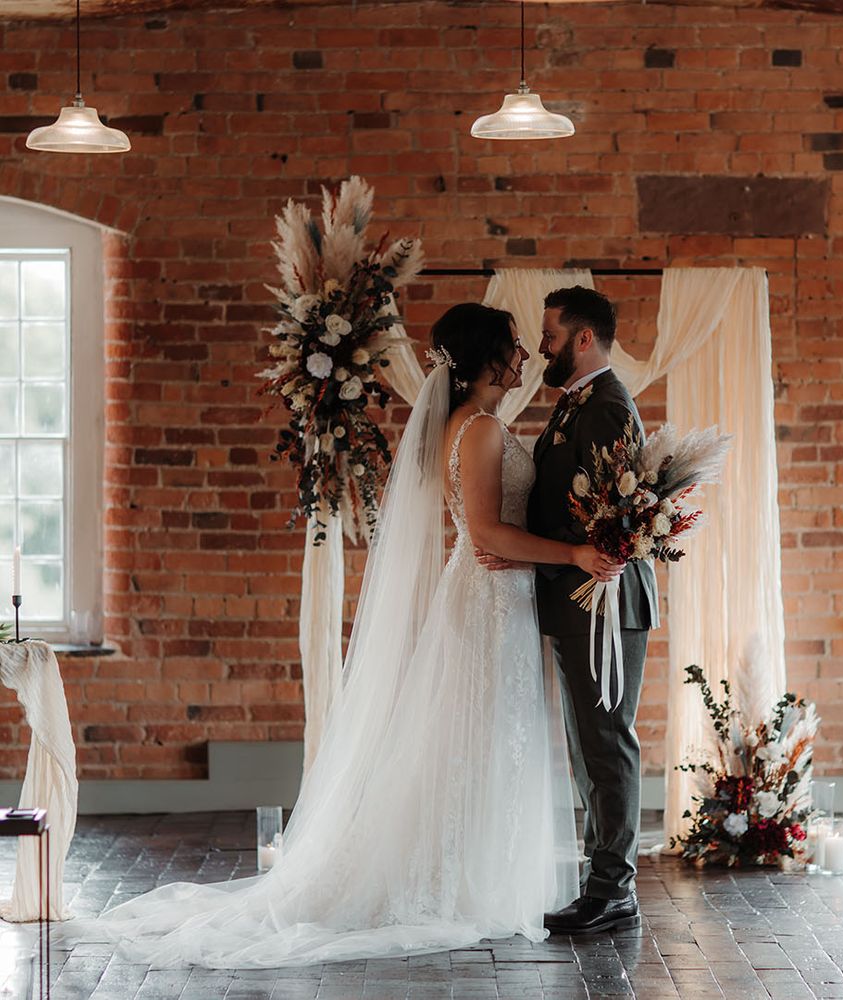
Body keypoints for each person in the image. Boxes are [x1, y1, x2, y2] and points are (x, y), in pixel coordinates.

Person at [78, 303, 622, 968]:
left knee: (479, 741)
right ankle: (454, 882)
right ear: (485, 360)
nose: (524, 356)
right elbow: (484, 535)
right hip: (486, 601)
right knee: (480, 738)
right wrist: (571, 556)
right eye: (512, 346)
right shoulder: (478, 430)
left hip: (498, 598)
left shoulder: (479, 423)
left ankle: (481, 875)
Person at [485, 286, 658, 935]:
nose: (543, 347)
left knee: (607, 741)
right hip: (574, 600)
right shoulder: (575, 406)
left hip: (604, 603)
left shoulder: (608, 408)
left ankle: (614, 889)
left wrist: (544, 555)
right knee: (588, 746)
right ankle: (601, 879)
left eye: (552, 335)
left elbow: (615, 527)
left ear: (584, 339)